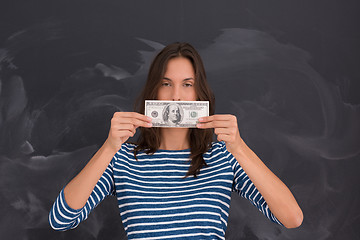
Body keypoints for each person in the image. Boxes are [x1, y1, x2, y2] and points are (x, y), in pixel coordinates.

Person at [49, 42, 303, 239]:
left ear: (199, 91)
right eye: (166, 83)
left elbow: (292, 218)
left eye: (187, 84)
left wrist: (240, 148)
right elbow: (61, 219)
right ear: (153, 90)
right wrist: (108, 148)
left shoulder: (223, 157)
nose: (176, 96)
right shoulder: (123, 160)